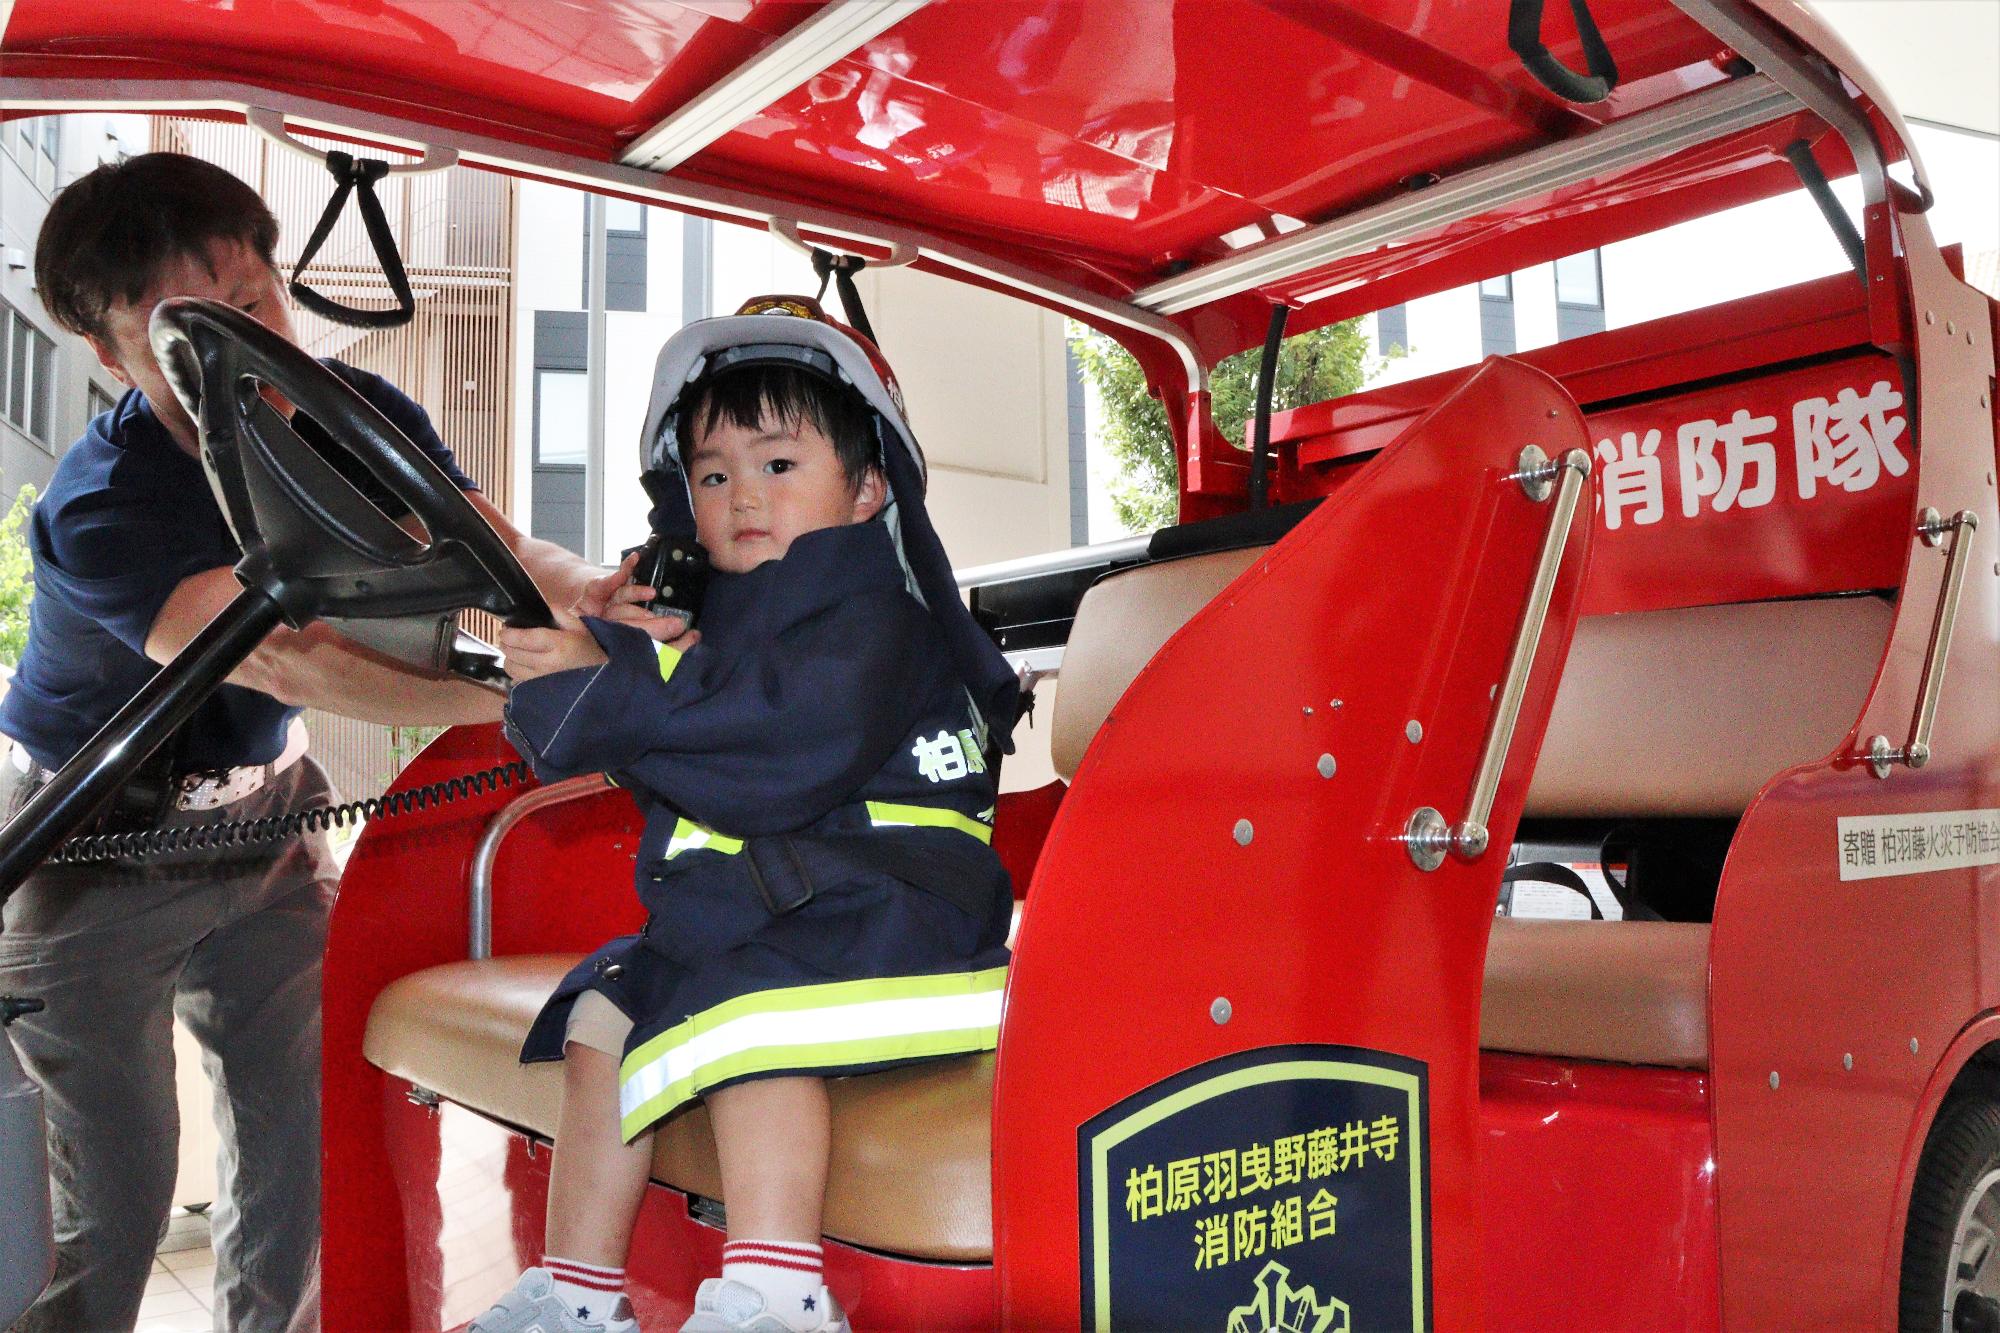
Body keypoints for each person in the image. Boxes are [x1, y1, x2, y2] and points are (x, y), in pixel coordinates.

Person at [0, 151, 609, 1332]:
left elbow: (507, 552)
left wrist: (600, 607)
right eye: (193, 325)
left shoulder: (356, 420)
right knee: (115, 1203)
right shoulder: (104, 499)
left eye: (257, 297)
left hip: (268, 827)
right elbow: (289, 656)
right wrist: (526, 703)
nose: (246, 337)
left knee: (301, 1162)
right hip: (92, 851)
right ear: (110, 353)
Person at [478, 295, 1021, 1333]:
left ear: (866, 491)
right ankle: (578, 1297)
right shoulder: (718, 620)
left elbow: (774, 753)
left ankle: (777, 1295)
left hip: (908, 926)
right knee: (603, 1014)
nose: (740, 496)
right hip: (790, 914)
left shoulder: (874, 620)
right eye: (712, 474)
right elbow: (675, 752)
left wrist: (633, 690)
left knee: (741, 1013)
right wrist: (596, 658)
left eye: (777, 465)